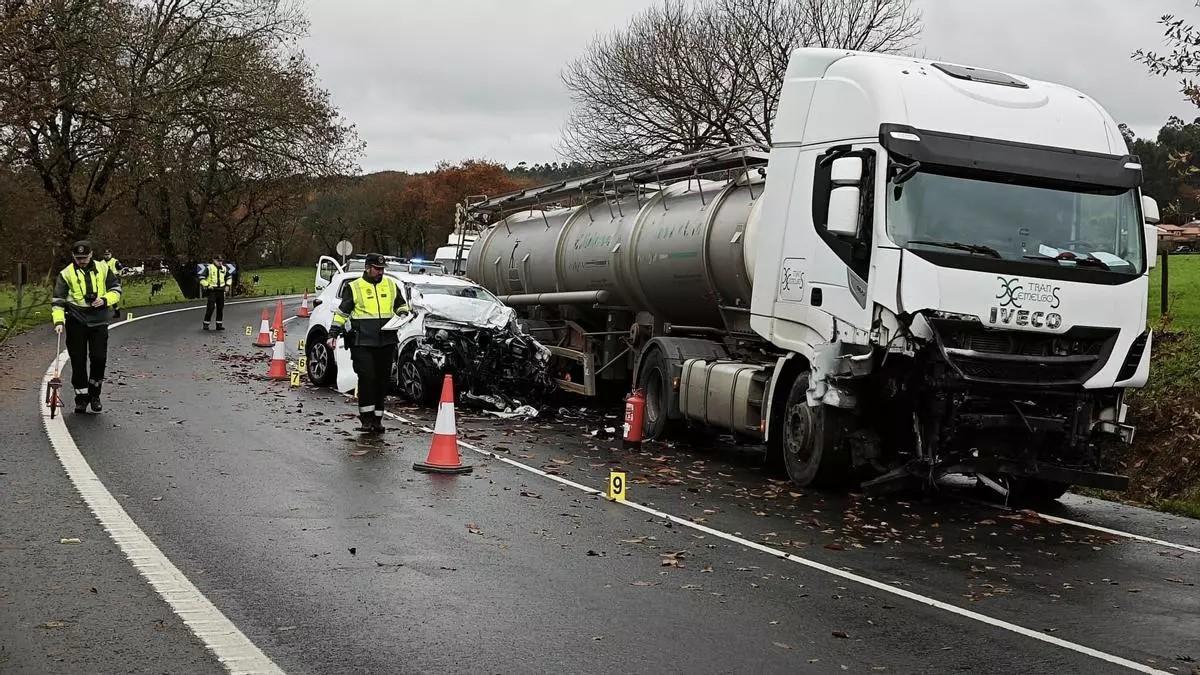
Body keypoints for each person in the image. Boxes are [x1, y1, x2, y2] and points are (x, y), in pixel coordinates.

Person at [327, 253, 410, 434]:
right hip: (362, 342)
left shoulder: (391, 285)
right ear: (367, 268)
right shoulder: (354, 287)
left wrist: (403, 313)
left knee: (382, 381)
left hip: (386, 341)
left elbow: (402, 305)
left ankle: (377, 419)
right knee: (367, 378)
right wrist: (333, 333)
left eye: (382, 269)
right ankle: (366, 419)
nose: (380, 272)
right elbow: (342, 314)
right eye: (377, 269)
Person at [51, 241, 122, 414]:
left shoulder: (103, 268)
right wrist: (59, 321)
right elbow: (58, 301)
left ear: (91, 254)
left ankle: (95, 395)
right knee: (78, 360)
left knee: (99, 358)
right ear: (73, 256)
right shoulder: (66, 274)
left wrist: (104, 300)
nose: (81, 261)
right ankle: (81, 399)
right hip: (76, 320)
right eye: (78, 258)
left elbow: (116, 289)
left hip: (99, 320)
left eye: (84, 257)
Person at [198, 253, 232, 330]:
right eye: (218, 261)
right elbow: (201, 278)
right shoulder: (209, 268)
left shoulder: (224, 268)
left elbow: (229, 277)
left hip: (221, 291)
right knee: (211, 307)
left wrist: (227, 285)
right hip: (212, 290)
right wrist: (207, 285)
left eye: (221, 261)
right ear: (214, 260)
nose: (220, 262)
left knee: (220, 308)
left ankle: (219, 324)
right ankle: (206, 323)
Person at [102, 249, 123, 318]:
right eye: (105, 255)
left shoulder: (115, 261)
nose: (107, 256)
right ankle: (114, 311)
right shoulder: (101, 263)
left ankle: (116, 312)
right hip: (104, 281)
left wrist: (119, 279)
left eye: (108, 254)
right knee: (104, 297)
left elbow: (121, 269)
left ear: (111, 254)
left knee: (113, 296)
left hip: (114, 281)